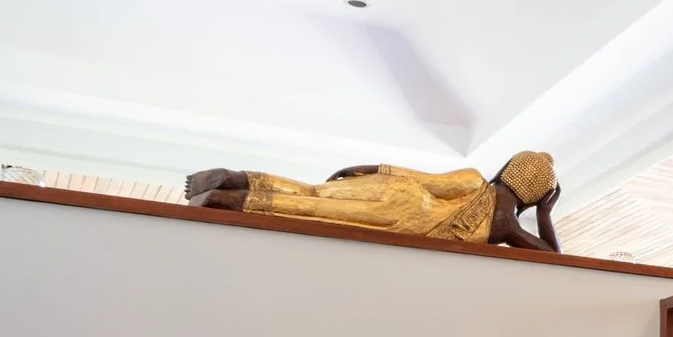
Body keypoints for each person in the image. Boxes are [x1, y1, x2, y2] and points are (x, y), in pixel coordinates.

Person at [185, 149, 563, 252]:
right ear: (531, 194)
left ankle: (237, 179)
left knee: (313, 193)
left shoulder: (475, 181)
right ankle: (228, 199)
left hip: (398, 195)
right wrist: (546, 214)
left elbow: (419, 179)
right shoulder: (506, 227)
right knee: (315, 213)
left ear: (507, 170)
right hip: (407, 217)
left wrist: (371, 167)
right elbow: (551, 255)